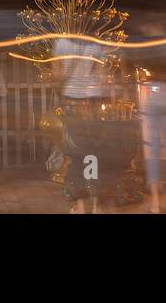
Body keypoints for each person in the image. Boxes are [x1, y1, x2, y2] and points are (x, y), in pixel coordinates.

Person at [52, 34, 109, 213]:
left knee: (76, 153)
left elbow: (57, 73)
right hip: (92, 100)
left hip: (72, 100)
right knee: (94, 151)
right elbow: (101, 74)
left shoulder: (61, 43)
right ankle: (96, 205)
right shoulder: (95, 45)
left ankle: (81, 206)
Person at [137, 58, 166, 213]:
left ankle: (156, 204)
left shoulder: (151, 47)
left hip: (154, 94)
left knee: (154, 151)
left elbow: (142, 64)